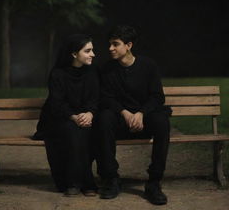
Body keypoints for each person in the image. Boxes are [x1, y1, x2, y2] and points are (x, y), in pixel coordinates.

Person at [95, 25, 171, 205]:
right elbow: (105, 97)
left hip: (144, 120)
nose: (110, 48)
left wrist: (141, 113)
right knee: (104, 118)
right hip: (120, 121)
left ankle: (154, 182)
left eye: (115, 44)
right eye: (110, 44)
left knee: (161, 122)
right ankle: (111, 179)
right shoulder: (107, 69)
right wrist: (124, 112)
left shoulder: (148, 65)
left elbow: (157, 96)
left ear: (128, 45)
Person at [33, 34, 99, 197]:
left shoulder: (91, 72)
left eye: (92, 50)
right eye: (88, 51)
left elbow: (95, 98)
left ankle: (76, 182)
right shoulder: (57, 74)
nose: (93, 54)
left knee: (88, 131)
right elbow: (56, 104)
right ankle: (79, 182)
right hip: (58, 119)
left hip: (84, 118)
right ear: (74, 54)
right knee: (72, 130)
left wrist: (90, 113)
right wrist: (74, 117)